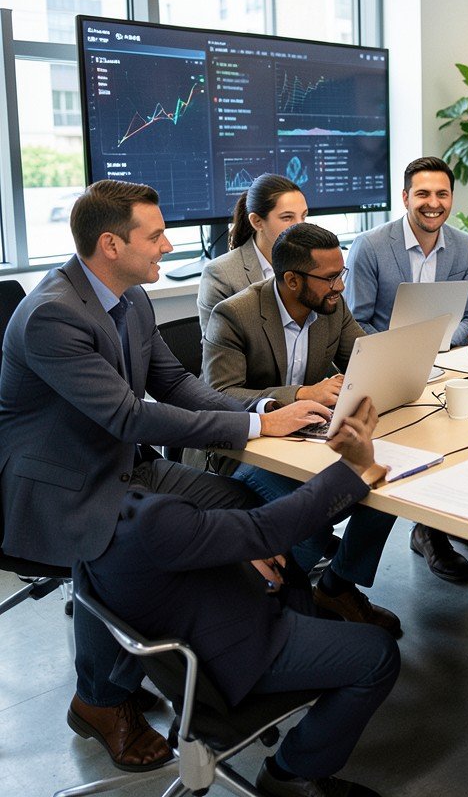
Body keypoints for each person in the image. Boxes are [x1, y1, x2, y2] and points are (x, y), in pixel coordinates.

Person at [0, 180, 329, 773]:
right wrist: (256, 428)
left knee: (244, 510)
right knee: (127, 544)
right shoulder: (54, 315)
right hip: (62, 486)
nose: (168, 246)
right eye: (154, 237)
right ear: (111, 245)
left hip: (123, 464)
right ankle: (100, 700)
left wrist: (262, 412)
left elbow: (175, 384)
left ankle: (238, 654)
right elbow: (129, 416)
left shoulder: (131, 298)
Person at [84, 398, 399, 797]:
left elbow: (190, 544)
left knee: (291, 578)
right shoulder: (150, 520)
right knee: (378, 653)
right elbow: (267, 528)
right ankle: (292, 775)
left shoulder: (84, 520)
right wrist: (351, 468)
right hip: (232, 657)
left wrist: (235, 553)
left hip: (182, 641)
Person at [204, 222, 401, 637]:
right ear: (292, 280)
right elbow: (218, 395)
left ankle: (335, 587)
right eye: (330, 278)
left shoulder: (331, 307)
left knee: (386, 485)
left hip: (306, 442)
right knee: (310, 524)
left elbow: (363, 361)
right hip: (245, 451)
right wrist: (297, 394)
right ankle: (280, 611)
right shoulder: (235, 314)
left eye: (341, 274)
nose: (340, 287)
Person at [346, 156, 468, 583]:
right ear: (405, 197)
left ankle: (439, 521)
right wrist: (405, 352)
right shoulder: (370, 246)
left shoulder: (463, 246)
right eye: (422, 193)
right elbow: (354, 323)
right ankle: (427, 532)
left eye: (442, 194)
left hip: (446, 366)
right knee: (411, 448)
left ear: (451, 198)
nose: (433, 203)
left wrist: (437, 343)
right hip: (385, 370)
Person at [197, 173, 307, 333]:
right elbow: (216, 345)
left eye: (303, 216)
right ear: (257, 221)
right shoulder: (221, 275)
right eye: (287, 217)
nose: (300, 227)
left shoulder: (313, 265)